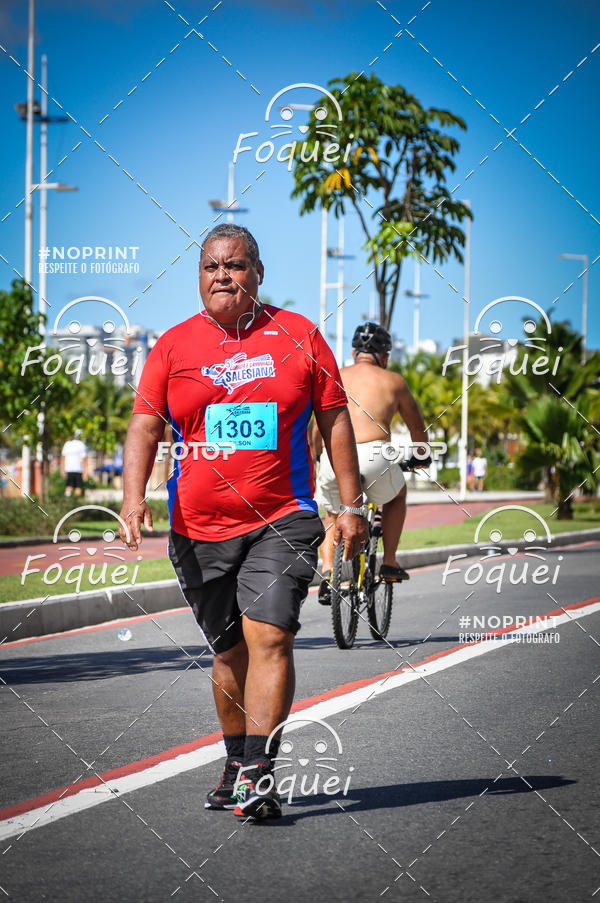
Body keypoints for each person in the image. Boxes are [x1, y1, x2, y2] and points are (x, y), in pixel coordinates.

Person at [118, 224, 367, 820]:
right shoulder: (174, 346)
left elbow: (335, 419)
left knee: (271, 638)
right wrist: (132, 499)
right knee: (229, 653)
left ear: (259, 272)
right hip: (197, 527)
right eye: (210, 267)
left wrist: (352, 506)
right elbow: (145, 426)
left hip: (283, 517)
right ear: (199, 277)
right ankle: (235, 759)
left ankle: (260, 772)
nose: (222, 276)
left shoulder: (300, 335)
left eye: (234, 265)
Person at [315, 322, 429, 603]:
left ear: (354, 353)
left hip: (335, 456)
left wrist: (318, 455)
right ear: (385, 356)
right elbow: (417, 427)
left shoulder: (336, 375)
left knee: (331, 512)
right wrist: (421, 456)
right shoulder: (393, 381)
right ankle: (389, 562)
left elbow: (316, 427)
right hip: (376, 456)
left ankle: (330, 573)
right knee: (398, 495)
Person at [61, 429, 87, 497]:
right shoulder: (81, 444)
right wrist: (85, 472)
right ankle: (76, 503)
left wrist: (62, 469)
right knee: (78, 487)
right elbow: (84, 459)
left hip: (69, 469)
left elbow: (63, 457)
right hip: (78, 469)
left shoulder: (67, 444)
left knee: (69, 486)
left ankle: (67, 500)